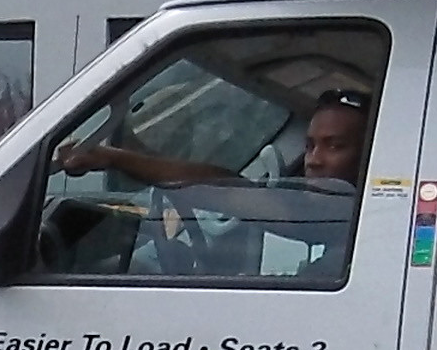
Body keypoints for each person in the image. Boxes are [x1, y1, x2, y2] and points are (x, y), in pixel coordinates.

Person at [53, 89, 371, 276]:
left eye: (335, 146)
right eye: (310, 145)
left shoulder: (355, 217)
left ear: (372, 153)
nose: (314, 160)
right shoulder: (331, 227)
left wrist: (115, 158)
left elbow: (228, 192)